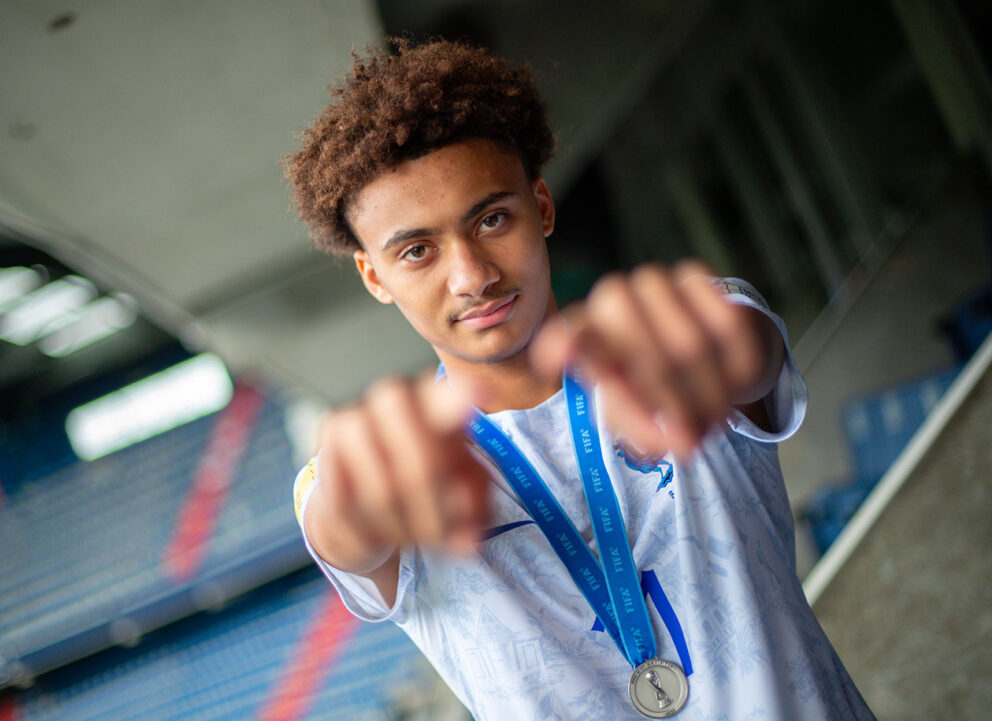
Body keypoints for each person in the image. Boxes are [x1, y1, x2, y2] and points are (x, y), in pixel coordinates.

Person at [285, 39, 874, 720]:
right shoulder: (366, 471)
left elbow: (743, 350)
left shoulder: (680, 332)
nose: (472, 275)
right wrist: (362, 500)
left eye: (492, 219)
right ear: (374, 276)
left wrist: (716, 350)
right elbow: (345, 528)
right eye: (417, 250)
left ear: (542, 205)